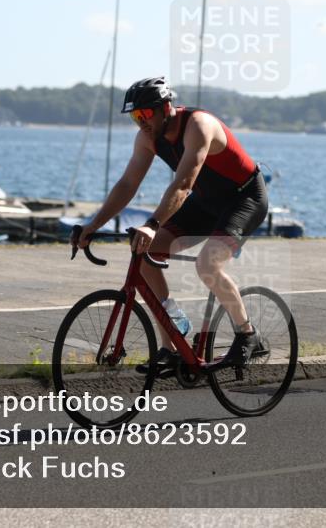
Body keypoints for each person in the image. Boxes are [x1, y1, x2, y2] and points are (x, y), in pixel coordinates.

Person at [74, 77, 269, 374]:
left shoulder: (199, 126)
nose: (141, 123)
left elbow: (183, 184)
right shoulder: (148, 137)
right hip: (205, 203)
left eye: (146, 115)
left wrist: (152, 223)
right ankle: (173, 345)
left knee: (207, 265)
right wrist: (93, 223)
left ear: (166, 108)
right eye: (135, 118)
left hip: (243, 199)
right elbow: (127, 184)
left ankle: (247, 333)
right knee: (146, 254)